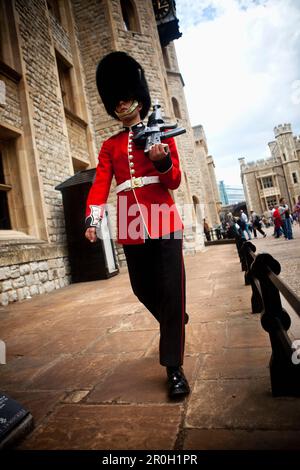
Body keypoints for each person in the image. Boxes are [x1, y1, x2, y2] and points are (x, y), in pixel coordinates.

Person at [84, 52, 190, 399]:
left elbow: (173, 181)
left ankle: (173, 368)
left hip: (162, 215)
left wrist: (162, 161)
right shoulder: (110, 145)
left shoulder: (162, 133)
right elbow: (101, 184)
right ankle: (173, 319)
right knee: (142, 288)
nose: (121, 103)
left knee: (172, 289)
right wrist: (93, 218)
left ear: (138, 97)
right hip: (129, 221)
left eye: (126, 96)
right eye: (115, 99)